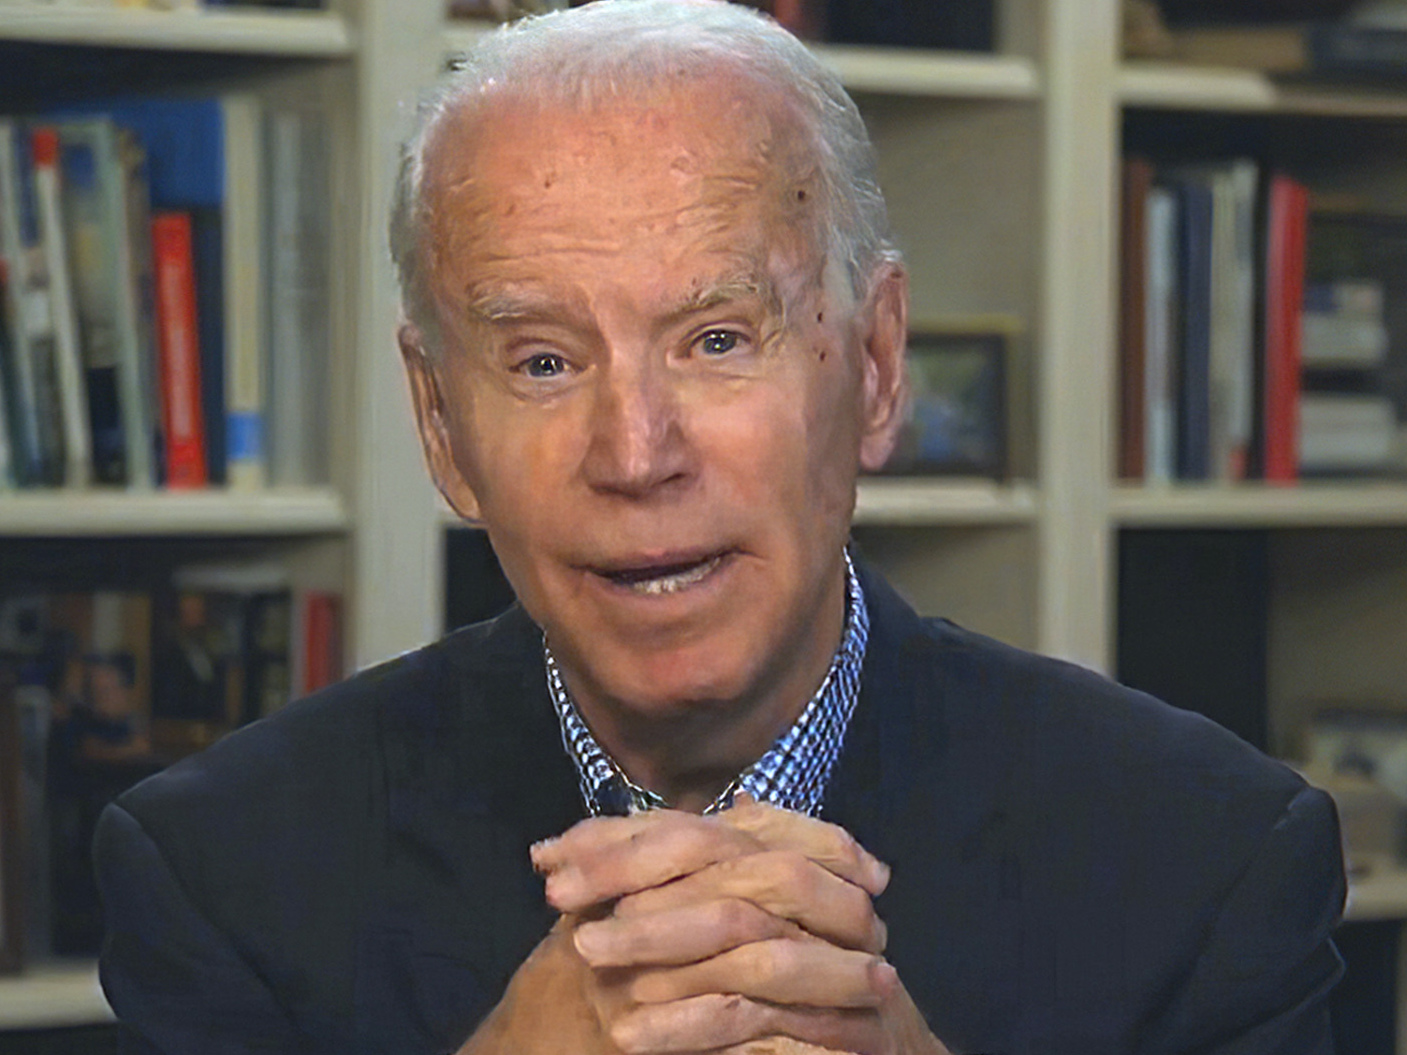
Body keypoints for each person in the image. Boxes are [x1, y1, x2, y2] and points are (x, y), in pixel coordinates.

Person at [94, 3, 1346, 1053]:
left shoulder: (1207, 862)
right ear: (439, 422)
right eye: (542, 361)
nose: (637, 454)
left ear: (875, 366)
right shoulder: (221, 875)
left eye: (717, 340)